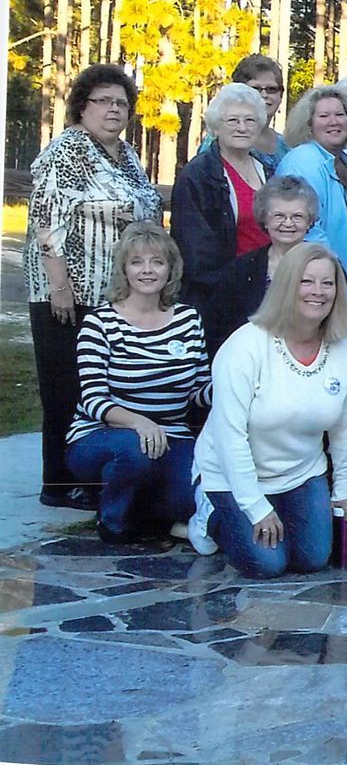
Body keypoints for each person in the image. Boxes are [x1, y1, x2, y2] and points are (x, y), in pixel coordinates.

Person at [26, 63, 163, 507]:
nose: (114, 110)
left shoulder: (125, 155)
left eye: (121, 103)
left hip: (111, 295)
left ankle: (91, 477)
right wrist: (60, 287)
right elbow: (46, 222)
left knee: (98, 388)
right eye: (103, 101)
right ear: (82, 106)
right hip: (67, 293)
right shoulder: (67, 151)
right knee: (65, 387)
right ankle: (58, 485)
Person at [192, 243, 347, 578]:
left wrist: (346, 488)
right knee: (268, 564)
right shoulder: (245, 346)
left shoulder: (345, 351)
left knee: (313, 559)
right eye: (306, 281)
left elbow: (345, 429)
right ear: (286, 285)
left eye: (327, 283)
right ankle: (209, 513)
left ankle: (274, 515)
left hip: (301, 472)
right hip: (230, 473)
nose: (318, 292)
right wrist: (255, 507)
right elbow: (230, 435)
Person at [65, 225, 209, 542]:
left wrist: (237, 385)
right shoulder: (100, 322)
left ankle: (144, 512)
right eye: (137, 262)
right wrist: (138, 423)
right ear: (124, 270)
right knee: (134, 452)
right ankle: (113, 522)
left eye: (157, 262)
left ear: (170, 269)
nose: (147, 270)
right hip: (104, 436)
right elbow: (93, 399)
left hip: (171, 434)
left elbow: (199, 390)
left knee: (190, 499)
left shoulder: (188, 319)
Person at [171, 82, 273, 315]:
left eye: (250, 120)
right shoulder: (199, 175)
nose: (242, 127)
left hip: (267, 288)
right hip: (221, 298)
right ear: (216, 127)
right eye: (233, 120)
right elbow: (196, 254)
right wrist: (241, 280)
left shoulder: (266, 169)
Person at [202, 176, 322, 356]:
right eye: (279, 216)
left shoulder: (325, 267)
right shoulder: (239, 271)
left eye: (297, 216)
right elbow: (218, 328)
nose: (288, 223)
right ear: (265, 220)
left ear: (309, 221)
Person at [277, 84, 347, 268]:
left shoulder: (345, 161)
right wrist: (332, 270)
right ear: (308, 125)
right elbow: (307, 229)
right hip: (316, 272)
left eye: (339, 114)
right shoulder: (303, 161)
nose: (334, 122)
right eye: (324, 116)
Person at [195, 54, 289, 168]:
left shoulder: (286, 146)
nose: (264, 95)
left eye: (272, 89)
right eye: (255, 89)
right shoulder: (218, 140)